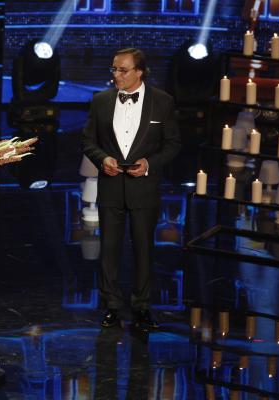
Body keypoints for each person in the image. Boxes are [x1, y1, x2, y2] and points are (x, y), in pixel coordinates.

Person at [82, 48, 181, 330]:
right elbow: (88, 140)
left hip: (144, 188)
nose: (116, 75)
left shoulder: (162, 101)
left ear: (140, 71)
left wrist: (149, 164)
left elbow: (173, 144)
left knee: (143, 250)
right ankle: (111, 306)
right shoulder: (100, 101)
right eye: (114, 69)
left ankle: (142, 307)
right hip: (111, 186)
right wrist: (103, 159)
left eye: (123, 70)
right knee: (109, 250)